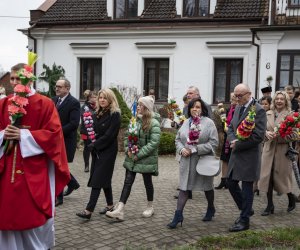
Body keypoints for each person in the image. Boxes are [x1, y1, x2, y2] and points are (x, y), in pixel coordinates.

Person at [0, 62, 70, 249]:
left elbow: (55, 136)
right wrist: (3, 135)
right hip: (6, 170)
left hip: (33, 171)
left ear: (29, 79)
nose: (15, 82)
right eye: (12, 78)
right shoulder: (3, 103)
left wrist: (23, 135)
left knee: (32, 216)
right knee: (5, 216)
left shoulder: (45, 104)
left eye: (19, 78)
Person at [106, 96, 161, 221]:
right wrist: (127, 150)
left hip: (146, 159)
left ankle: (150, 206)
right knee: (127, 182)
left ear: (146, 108)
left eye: (140, 105)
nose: (138, 107)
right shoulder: (134, 121)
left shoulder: (154, 123)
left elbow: (154, 143)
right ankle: (120, 209)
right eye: (138, 104)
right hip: (132, 157)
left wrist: (139, 154)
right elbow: (127, 137)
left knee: (147, 183)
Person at [167, 98, 218, 229]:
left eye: (198, 107)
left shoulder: (209, 123)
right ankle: (178, 215)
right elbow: (178, 139)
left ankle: (211, 208)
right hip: (186, 161)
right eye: (193, 107)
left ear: (203, 109)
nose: (195, 109)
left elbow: (214, 144)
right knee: (184, 188)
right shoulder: (185, 122)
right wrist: (182, 149)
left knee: (207, 187)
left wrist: (195, 149)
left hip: (202, 161)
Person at [227, 83, 266, 232]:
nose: (237, 99)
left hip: (249, 155)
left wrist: (238, 144)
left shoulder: (258, 110)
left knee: (247, 187)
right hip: (236, 153)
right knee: (230, 182)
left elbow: (258, 136)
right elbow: (231, 127)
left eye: (239, 95)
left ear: (249, 94)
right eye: (235, 95)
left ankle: (244, 221)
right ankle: (246, 209)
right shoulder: (238, 106)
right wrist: (232, 140)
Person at [76, 88, 121, 220]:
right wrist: (90, 139)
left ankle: (88, 210)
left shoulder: (115, 114)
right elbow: (92, 130)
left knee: (97, 178)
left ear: (111, 99)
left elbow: (109, 135)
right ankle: (110, 205)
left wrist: (95, 144)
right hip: (97, 149)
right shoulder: (97, 112)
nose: (102, 100)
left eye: (105, 98)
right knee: (104, 179)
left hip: (108, 150)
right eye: (100, 97)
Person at [258, 91, 297, 216]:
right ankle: (270, 205)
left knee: (282, 179)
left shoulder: (291, 116)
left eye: (282, 99)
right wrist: (265, 133)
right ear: (274, 101)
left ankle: (290, 197)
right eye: (277, 99)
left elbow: (295, 135)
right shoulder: (267, 114)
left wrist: (281, 135)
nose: (279, 101)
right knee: (267, 177)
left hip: (282, 151)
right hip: (268, 150)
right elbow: (260, 130)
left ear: (286, 101)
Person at [53, 77, 81, 206]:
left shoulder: (74, 102)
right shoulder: (53, 100)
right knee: (57, 166)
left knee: (58, 167)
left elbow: (74, 124)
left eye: (60, 86)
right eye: (56, 86)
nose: (56, 88)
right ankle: (72, 183)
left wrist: (57, 132)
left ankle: (59, 197)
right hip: (53, 140)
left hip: (65, 140)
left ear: (67, 88)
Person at [215, 92, 237, 189]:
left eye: (234, 98)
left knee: (233, 160)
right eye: (231, 98)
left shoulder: (240, 110)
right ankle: (223, 180)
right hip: (227, 138)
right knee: (224, 159)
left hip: (235, 138)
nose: (232, 100)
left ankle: (230, 180)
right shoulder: (228, 110)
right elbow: (222, 122)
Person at [80, 89, 97, 172]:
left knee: (95, 148)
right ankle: (86, 165)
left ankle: (94, 164)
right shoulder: (84, 107)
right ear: (89, 98)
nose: (95, 98)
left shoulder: (97, 107)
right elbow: (85, 120)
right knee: (87, 148)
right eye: (93, 97)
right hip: (86, 131)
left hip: (95, 131)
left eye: (95, 97)